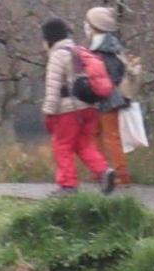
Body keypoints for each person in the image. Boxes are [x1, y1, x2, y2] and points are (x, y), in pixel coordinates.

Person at [41, 17, 115, 195]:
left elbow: (53, 87)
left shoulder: (58, 54)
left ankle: (67, 185)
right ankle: (103, 171)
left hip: (69, 109)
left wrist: (48, 112)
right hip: (90, 106)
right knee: (82, 144)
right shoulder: (78, 50)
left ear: (50, 38)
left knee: (62, 145)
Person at [84, 6, 132, 188]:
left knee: (111, 136)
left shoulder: (105, 48)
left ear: (94, 25)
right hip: (102, 96)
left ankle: (121, 174)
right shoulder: (106, 44)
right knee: (95, 133)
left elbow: (112, 74)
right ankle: (100, 171)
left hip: (108, 97)